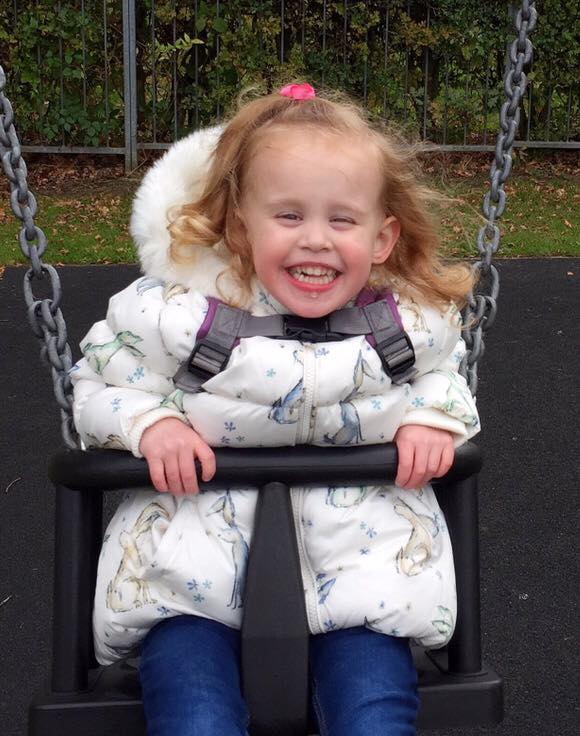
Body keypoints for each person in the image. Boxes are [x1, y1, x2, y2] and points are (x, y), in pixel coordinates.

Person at [71, 82, 480, 736]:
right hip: (189, 585)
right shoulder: (181, 319)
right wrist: (151, 425)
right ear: (239, 226)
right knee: (195, 720)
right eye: (288, 216)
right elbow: (96, 384)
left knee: (375, 718)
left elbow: (444, 381)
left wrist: (435, 419)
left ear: (382, 236)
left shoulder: (405, 330)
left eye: (341, 220)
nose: (315, 239)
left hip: (360, 583)